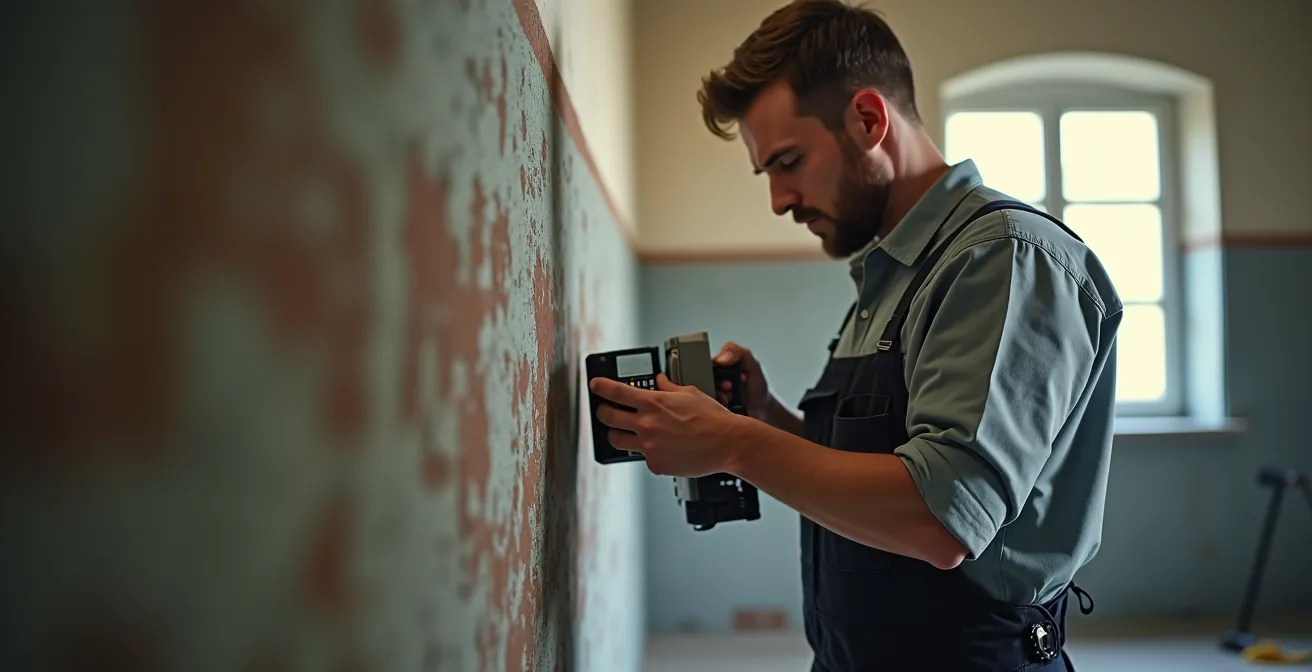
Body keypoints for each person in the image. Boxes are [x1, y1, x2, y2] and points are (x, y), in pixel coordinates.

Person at [587, 1, 1121, 669]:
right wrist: (765, 416)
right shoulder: (892, 272)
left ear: (868, 119)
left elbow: (941, 519)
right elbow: (873, 467)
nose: (779, 200)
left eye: (788, 161)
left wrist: (731, 442)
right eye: (768, 173)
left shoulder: (1003, 258)